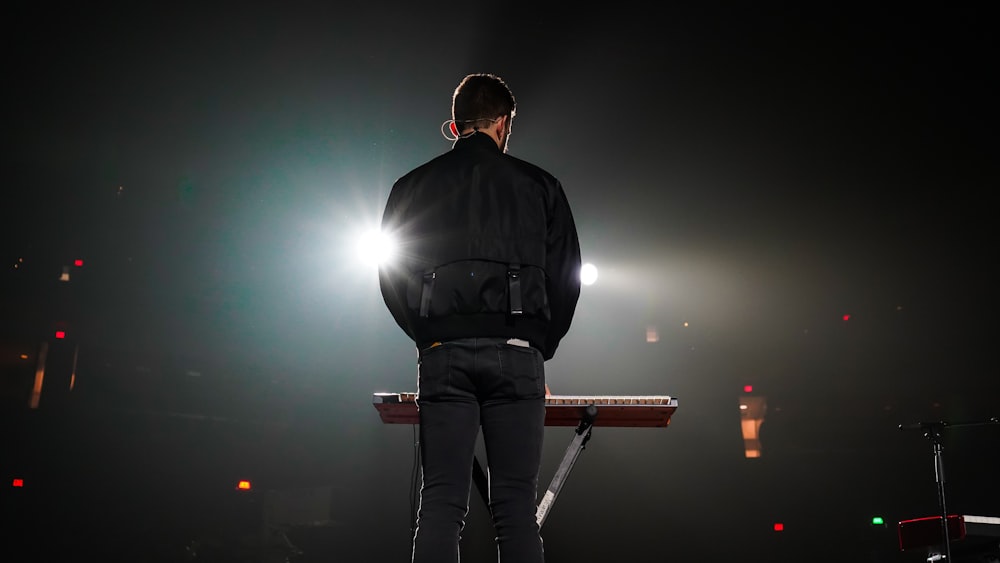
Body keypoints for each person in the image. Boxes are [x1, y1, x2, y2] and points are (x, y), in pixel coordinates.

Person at [378, 73, 582, 563]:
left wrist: (429, 335)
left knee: (441, 503)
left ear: (455, 125)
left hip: (443, 356)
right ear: (502, 123)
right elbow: (566, 277)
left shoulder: (411, 185)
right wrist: (538, 345)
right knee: (514, 507)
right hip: (517, 356)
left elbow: (390, 278)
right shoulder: (541, 186)